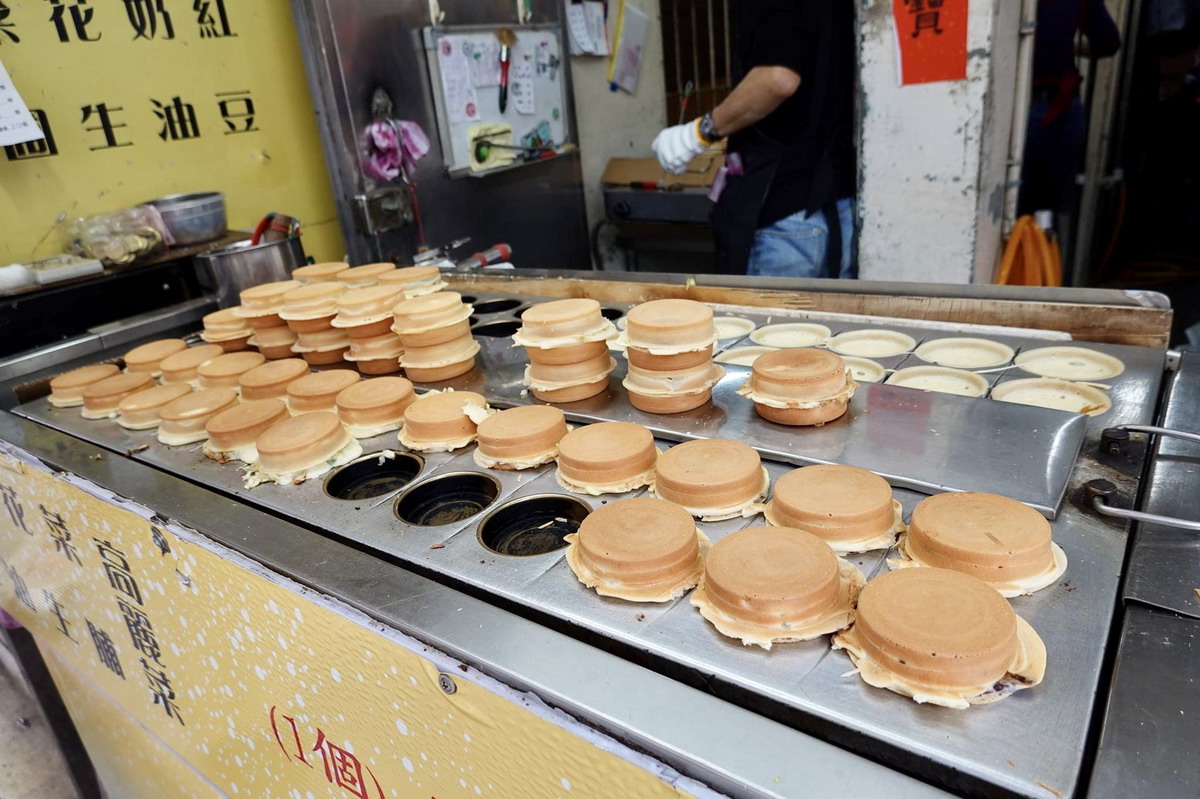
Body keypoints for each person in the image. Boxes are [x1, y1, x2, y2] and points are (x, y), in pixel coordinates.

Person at [651, 1, 856, 279]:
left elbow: (778, 78)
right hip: (840, 209)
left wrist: (700, 132)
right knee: (831, 323)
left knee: (765, 323)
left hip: (786, 219)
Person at [1019, 0, 1120, 217]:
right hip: (1059, 105)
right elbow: (1107, 43)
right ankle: (1043, 246)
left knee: (1013, 204)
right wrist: (1065, 45)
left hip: (1023, 102)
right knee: (1046, 210)